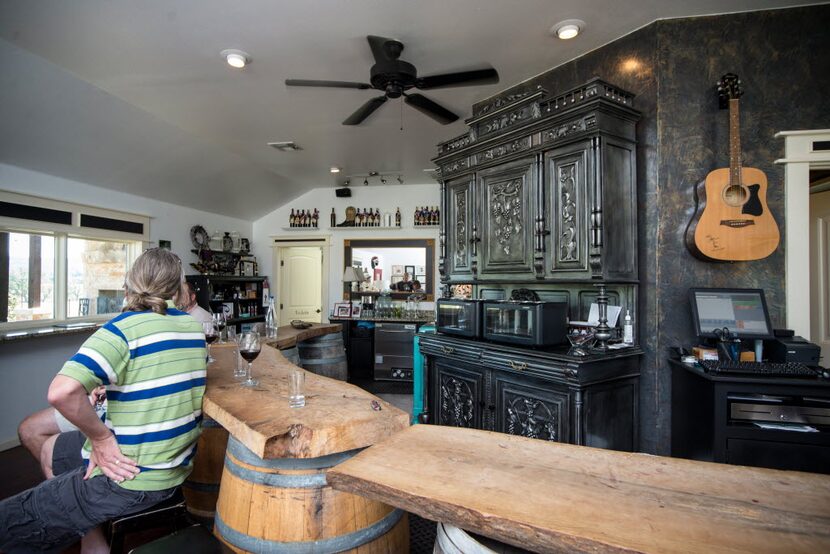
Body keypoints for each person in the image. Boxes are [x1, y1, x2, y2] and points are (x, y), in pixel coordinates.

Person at [0, 248, 207, 554]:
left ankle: (84, 520)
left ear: (131, 286)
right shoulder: (193, 328)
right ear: (179, 288)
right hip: (173, 467)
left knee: (6, 523)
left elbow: (61, 392)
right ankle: (94, 541)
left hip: (131, 477)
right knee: (49, 448)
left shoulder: (121, 329)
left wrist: (101, 437)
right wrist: (107, 385)